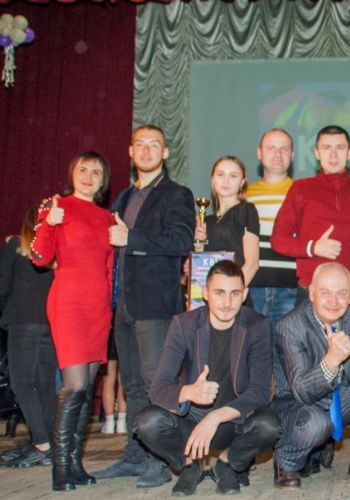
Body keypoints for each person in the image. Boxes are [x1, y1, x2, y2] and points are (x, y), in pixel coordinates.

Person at [94, 124, 195, 487]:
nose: (148, 150)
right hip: (123, 306)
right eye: (141, 144)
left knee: (157, 384)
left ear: (166, 153)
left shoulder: (177, 194)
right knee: (133, 386)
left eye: (155, 145)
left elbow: (181, 241)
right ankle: (136, 456)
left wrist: (132, 237)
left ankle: (161, 460)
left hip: (155, 306)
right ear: (130, 151)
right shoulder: (123, 198)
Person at [134, 260, 281, 496]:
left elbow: (260, 390)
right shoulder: (184, 325)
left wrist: (215, 417)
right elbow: (158, 388)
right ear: (205, 293)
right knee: (147, 422)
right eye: (219, 293)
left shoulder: (257, 326)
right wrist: (189, 392)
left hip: (233, 421)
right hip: (190, 421)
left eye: (234, 293)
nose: (227, 303)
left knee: (270, 426)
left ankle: (226, 463)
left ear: (244, 295)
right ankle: (189, 465)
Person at [271, 262, 350, 489]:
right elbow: (302, 391)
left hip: (340, 399)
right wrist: (331, 361)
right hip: (298, 407)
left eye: (341, 294)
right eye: (326, 293)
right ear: (311, 293)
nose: (334, 301)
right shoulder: (289, 326)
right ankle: (286, 462)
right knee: (317, 423)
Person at [30, 152, 115, 491]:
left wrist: (109, 309)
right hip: (69, 305)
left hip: (98, 309)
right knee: (75, 385)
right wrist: (49, 223)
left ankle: (76, 464)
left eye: (96, 172)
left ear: (103, 180)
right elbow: (39, 257)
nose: (89, 176)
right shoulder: (57, 207)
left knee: (87, 387)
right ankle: (60, 467)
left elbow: (109, 270)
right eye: (83, 170)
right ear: (72, 173)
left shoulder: (107, 218)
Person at [270, 125, 350, 314]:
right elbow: (278, 239)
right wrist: (313, 247)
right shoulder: (300, 189)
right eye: (327, 148)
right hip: (313, 290)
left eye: (340, 148)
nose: (333, 155)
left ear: (349, 153)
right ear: (316, 153)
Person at [0, 204, 56, 468]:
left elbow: (2, 284)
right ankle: (45, 441)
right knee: (45, 384)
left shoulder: (15, 246)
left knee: (22, 383)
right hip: (50, 323)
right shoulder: (55, 252)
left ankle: (42, 444)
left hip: (22, 321)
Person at [245, 128, 299, 324]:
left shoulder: (303, 193)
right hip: (252, 286)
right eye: (271, 148)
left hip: (291, 287)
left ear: (292, 155)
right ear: (259, 153)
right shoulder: (244, 194)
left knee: (288, 343)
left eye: (284, 149)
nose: (278, 154)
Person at [194, 155, 261, 287]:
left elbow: (252, 264)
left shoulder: (247, 211)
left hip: (235, 293)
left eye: (233, 176)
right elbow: (200, 267)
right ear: (213, 179)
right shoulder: (207, 220)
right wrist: (199, 247)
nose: (226, 181)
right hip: (210, 293)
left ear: (242, 182)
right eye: (220, 175)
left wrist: (233, 293)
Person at [99, 335, 127, 434]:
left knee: (108, 379)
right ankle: (122, 421)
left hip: (108, 334)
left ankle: (109, 422)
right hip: (125, 334)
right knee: (123, 379)